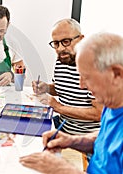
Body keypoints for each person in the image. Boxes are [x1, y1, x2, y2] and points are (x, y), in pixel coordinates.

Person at [20, 32, 123, 174]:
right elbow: (106, 139)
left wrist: (62, 169)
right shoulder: (112, 103)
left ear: (117, 74)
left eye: (87, 77)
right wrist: (73, 141)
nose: (81, 86)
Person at [32, 19, 103, 135]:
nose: (60, 49)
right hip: (62, 127)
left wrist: (58, 107)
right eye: (56, 43)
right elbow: (63, 89)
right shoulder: (62, 60)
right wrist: (47, 88)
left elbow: (99, 113)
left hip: (87, 137)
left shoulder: (97, 67)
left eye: (66, 41)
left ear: (81, 39)